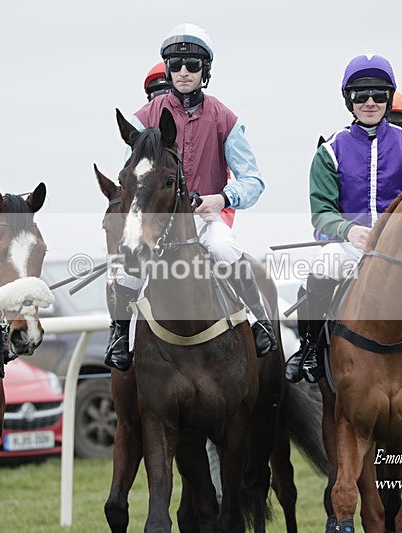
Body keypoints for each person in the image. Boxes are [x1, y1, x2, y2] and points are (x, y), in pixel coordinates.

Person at [104, 23, 277, 371]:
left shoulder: (225, 118)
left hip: (207, 219)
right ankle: (120, 336)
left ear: (205, 71)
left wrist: (222, 197)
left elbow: (254, 181)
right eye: (176, 64)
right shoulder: (143, 119)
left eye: (192, 65)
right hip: (157, 222)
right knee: (127, 272)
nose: (184, 71)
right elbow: (130, 179)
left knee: (225, 248)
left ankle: (260, 322)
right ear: (168, 68)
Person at [284, 53, 402, 384]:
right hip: (351, 246)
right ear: (348, 100)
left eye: (379, 95)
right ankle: (308, 348)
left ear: (388, 98)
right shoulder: (330, 152)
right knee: (321, 267)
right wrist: (348, 231)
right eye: (361, 95)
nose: (370, 102)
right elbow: (321, 211)